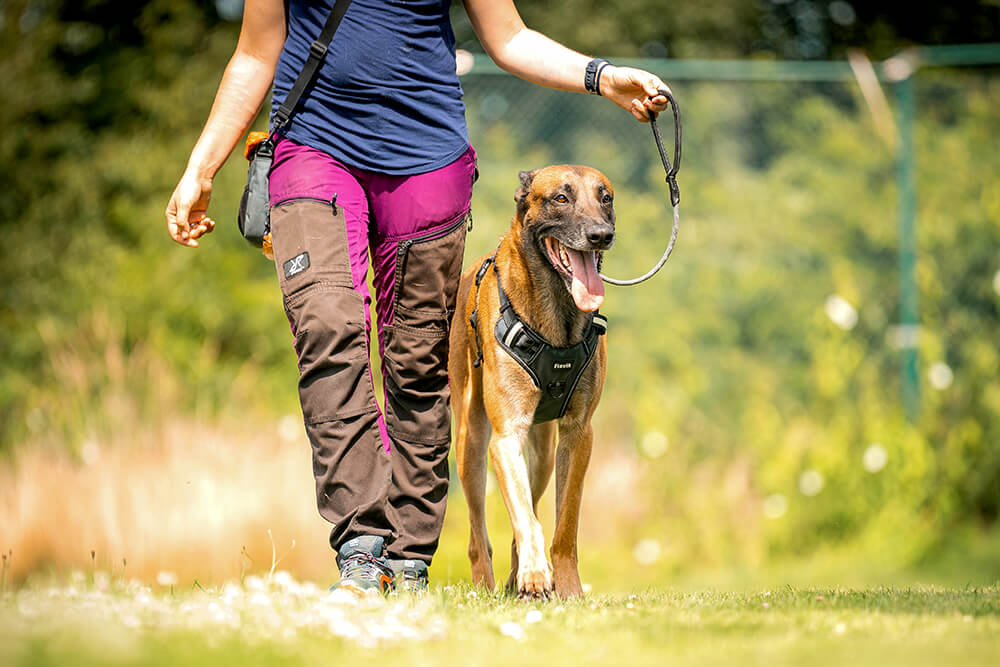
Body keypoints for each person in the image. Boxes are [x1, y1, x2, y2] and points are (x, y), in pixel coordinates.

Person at [165, 0, 670, 594]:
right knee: (328, 328)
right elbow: (256, 50)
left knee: (418, 360)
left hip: (428, 163)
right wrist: (203, 165)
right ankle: (361, 546)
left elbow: (508, 38)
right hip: (313, 151)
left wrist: (602, 76)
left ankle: (407, 558)